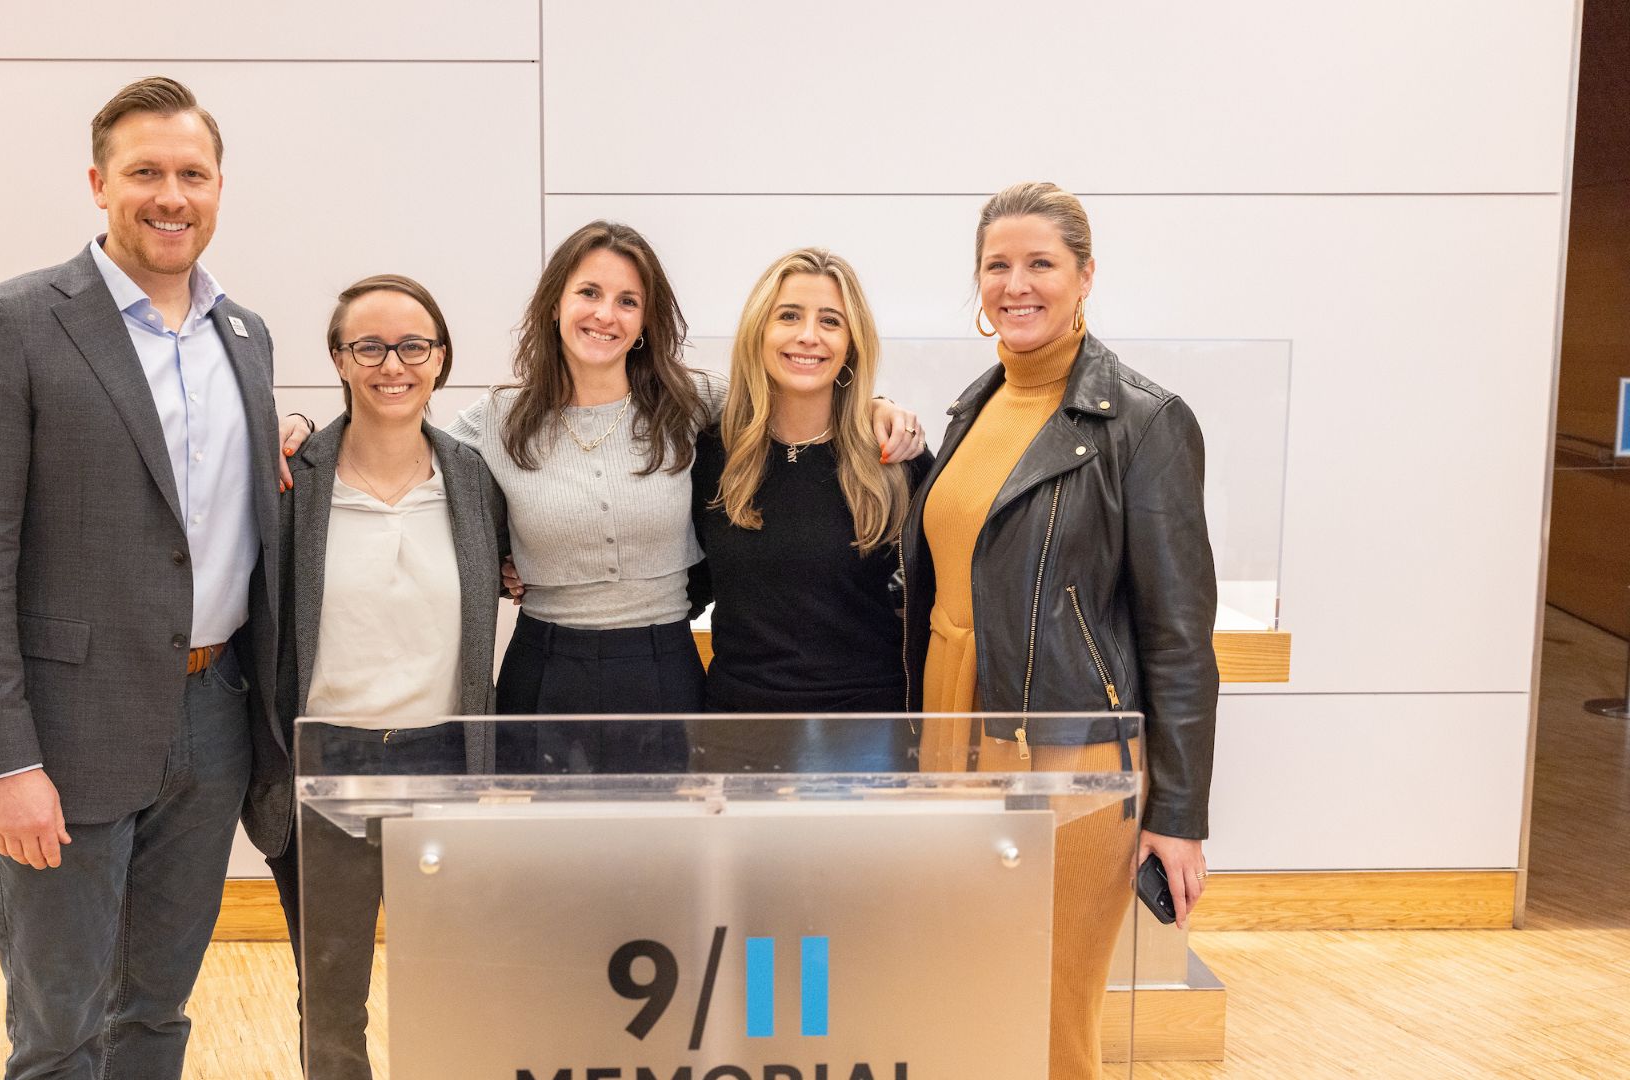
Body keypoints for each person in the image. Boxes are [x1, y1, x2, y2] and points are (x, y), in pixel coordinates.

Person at [0, 77, 286, 1079]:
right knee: (61, 1029)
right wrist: (4, 764)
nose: (171, 196)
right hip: (64, 734)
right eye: (145, 173)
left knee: (157, 1013)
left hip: (214, 718)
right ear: (98, 183)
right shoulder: (11, 325)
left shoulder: (244, 339)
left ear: (220, 188)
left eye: (192, 174)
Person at [287, 221, 923, 773]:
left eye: (627, 301)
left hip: (665, 664)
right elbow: (395, 446)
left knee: (662, 875)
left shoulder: (693, 402)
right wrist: (303, 434)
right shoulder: (499, 419)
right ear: (556, 304)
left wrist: (876, 405)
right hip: (545, 666)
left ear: (645, 321)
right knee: (550, 877)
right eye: (588, 293)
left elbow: (792, 402)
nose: (604, 314)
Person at [903, 181, 1218, 1079]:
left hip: (1069, 756)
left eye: (1041, 263)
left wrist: (1180, 816)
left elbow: (1179, 638)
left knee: (1051, 1014)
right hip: (951, 737)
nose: (1017, 283)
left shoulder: (1144, 422)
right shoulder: (974, 407)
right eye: (998, 265)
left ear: (1085, 277)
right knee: (972, 990)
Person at [262, 274, 503, 1079]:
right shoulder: (295, 478)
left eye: (412, 346)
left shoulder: (473, 479)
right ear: (338, 357)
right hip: (326, 764)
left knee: (454, 985)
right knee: (331, 995)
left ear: (440, 361)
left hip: (446, 762)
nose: (390, 364)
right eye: (368, 345)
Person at [689, 248, 933, 771]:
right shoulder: (713, 453)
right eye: (789, 316)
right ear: (760, 331)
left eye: (830, 321)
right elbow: (684, 581)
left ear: (851, 343)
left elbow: (938, 599)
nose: (808, 336)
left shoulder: (894, 458)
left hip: (867, 737)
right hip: (737, 732)